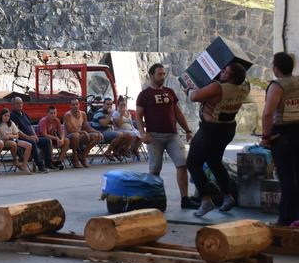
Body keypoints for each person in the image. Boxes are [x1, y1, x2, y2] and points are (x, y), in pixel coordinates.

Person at [186, 63, 250, 217]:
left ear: (231, 77)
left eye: (225, 71)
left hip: (210, 130)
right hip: (228, 129)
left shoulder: (218, 87)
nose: (221, 72)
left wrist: (188, 90)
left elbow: (194, 96)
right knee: (214, 162)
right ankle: (228, 197)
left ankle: (206, 200)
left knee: (193, 163)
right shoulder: (245, 86)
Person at [261, 52, 299, 226]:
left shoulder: (277, 86)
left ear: (276, 68)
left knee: (286, 177)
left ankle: (285, 218)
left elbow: (268, 113)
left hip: (283, 134)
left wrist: (266, 137)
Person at [136, 63, 198, 209]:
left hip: (172, 135)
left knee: (182, 164)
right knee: (155, 169)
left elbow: (178, 113)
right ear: (151, 75)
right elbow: (138, 115)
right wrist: (142, 133)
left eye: (164, 74)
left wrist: (188, 130)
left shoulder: (169, 92)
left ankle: (185, 199)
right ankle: (154, 199)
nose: (162, 77)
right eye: (159, 74)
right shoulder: (144, 95)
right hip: (154, 137)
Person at [11, 97, 53, 172]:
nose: (20, 104)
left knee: (47, 141)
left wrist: (35, 135)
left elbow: (30, 126)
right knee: (32, 142)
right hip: (21, 138)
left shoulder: (24, 114)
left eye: (21, 103)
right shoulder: (12, 116)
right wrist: (29, 137)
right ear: (13, 105)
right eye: (17, 103)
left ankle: (48, 164)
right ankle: (40, 166)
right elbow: (17, 131)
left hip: (31, 137)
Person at [63, 98, 103, 168]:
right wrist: (83, 132)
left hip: (80, 135)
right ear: (70, 106)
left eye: (77, 104)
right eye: (73, 105)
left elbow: (87, 127)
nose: (75, 106)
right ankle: (74, 156)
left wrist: (97, 132)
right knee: (76, 135)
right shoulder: (67, 115)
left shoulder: (83, 114)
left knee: (96, 136)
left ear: (79, 105)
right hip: (70, 136)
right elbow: (70, 130)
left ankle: (83, 155)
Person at [91, 97, 130, 161]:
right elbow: (104, 124)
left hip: (109, 131)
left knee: (127, 135)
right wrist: (110, 114)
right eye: (107, 104)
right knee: (120, 135)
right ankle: (108, 152)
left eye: (111, 104)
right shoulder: (99, 113)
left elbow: (113, 124)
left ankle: (116, 151)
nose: (109, 106)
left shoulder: (109, 112)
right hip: (100, 133)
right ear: (103, 104)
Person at [0, 108, 32, 174]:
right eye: (5, 115)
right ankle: (15, 160)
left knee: (29, 145)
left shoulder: (11, 123)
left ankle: (24, 165)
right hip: (3, 141)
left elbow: (17, 135)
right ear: (1, 116)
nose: (7, 117)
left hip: (13, 140)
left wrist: (10, 136)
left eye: (8, 116)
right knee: (13, 144)